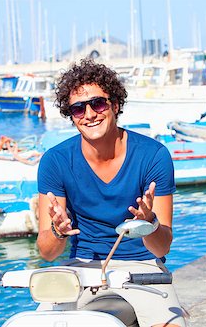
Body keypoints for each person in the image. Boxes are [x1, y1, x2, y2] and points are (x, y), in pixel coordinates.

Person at [36, 58, 186, 327]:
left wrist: (149, 223)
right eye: (78, 108)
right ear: (71, 116)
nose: (90, 114)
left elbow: (163, 247)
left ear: (115, 105)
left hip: (142, 267)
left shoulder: (153, 156)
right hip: (80, 268)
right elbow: (47, 253)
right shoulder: (55, 161)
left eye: (98, 103)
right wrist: (58, 231)